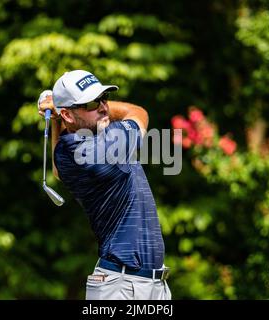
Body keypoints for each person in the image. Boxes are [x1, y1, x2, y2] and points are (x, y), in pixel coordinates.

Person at [38, 70, 171, 300]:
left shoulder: (64, 151)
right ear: (69, 115)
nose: (103, 107)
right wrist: (57, 109)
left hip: (146, 284)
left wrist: (58, 113)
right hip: (122, 286)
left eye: (103, 99)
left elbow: (58, 172)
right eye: (91, 103)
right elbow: (137, 112)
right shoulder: (107, 144)